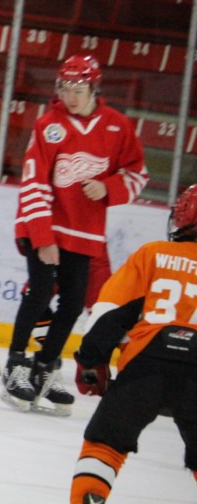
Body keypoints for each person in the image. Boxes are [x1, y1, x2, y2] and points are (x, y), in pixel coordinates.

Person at [1, 54, 149, 415]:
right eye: (65, 87)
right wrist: (42, 235)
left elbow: (138, 174)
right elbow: (34, 183)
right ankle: (16, 366)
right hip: (46, 227)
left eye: (78, 88)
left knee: (71, 305)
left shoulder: (117, 127)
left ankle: (45, 369)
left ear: (94, 87)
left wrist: (110, 188)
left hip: (84, 235)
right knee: (38, 295)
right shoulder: (49, 125)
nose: (70, 96)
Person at [69, 184, 197, 503]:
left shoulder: (153, 254)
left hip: (144, 368)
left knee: (104, 444)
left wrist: (90, 363)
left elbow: (108, 316)